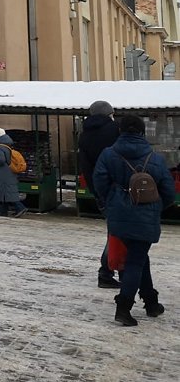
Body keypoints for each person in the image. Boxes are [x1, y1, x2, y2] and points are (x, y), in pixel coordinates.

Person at [93, 113, 175, 326]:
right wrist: (155, 207)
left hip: (118, 216)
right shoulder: (155, 158)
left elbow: (99, 181)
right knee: (136, 260)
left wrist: (110, 203)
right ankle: (123, 308)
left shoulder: (108, 154)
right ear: (142, 132)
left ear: (120, 131)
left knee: (139, 259)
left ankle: (151, 303)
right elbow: (168, 191)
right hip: (146, 216)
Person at [78, 100, 122, 289]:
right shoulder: (114, 130)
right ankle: (107, 271)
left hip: (99, 190)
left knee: (114, 230)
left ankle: (109, 270)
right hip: (118, 188)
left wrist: (95, 189)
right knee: (118, 232)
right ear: (108, 114)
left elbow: (85, 166)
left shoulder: (84, 134)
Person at [0, 128, 28, 218]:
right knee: (5, 192)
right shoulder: (7, 145)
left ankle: (20, 208)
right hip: (9, 172)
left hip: (3, 173)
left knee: (7, 192)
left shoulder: (0, 147)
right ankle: (3, 211)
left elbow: (1, 160)